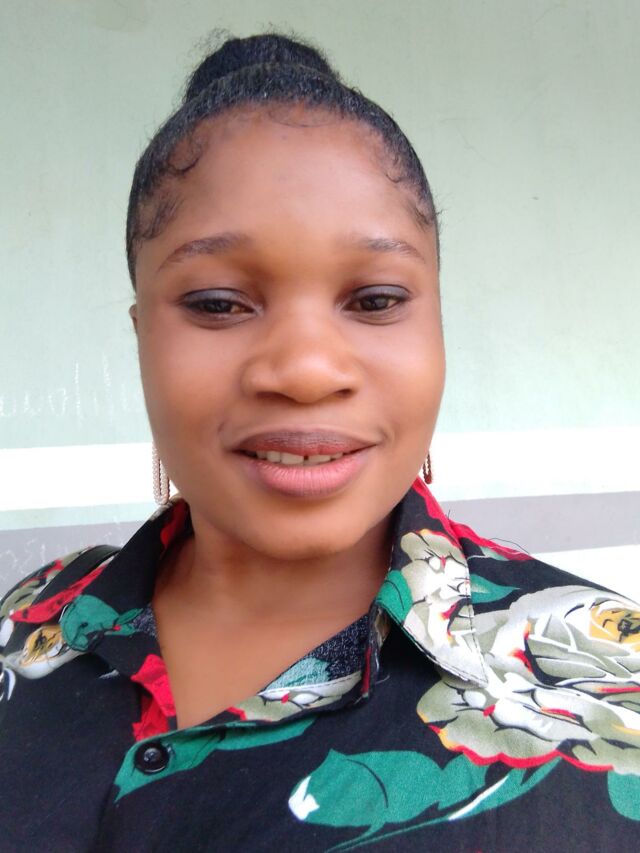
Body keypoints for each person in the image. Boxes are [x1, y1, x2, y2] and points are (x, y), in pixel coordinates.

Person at [1, 30, 639, 853]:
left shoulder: (614, 688)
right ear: (141, 338)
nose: (305, 370)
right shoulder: (29, 621)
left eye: (374, 299)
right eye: (219, 303)